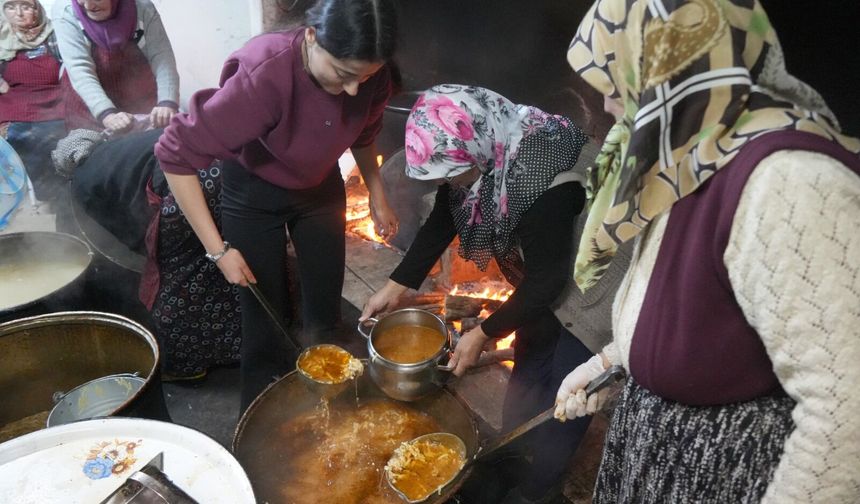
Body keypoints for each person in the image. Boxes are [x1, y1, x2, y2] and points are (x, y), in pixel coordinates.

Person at [555, 0, 860, 502]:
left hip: (727, 473)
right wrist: (614, 361)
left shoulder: (789, 183)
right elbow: (695, 308)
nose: (608, 107)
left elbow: (844, 414)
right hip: (661, 452)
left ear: (675, 73)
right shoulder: (693, 152)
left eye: (617, 85)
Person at [361, 84, 613, 504]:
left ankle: (538, 487)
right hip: (545, 274)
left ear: (473, 152)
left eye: (448, 173)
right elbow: (445, 215)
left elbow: (550, 283)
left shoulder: (544, 183)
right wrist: (396, 284)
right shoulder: (484, 152)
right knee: (530, 365)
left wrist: (484, 332)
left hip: (591, 290)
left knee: (567, 393)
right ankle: (511, 454)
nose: (447, 183)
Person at [155, 0, 399, 411]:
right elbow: (174, 154)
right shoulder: (263, 75)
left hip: (319, 187)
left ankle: (328, 409)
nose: (355, 89)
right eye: (343, 74)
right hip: (253, 193)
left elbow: (364, 132)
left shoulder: (371, 76)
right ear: (310, 37)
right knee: (265, 318)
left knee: (324, 311)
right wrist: (219, 251)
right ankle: (263, 422)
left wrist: (377, 192)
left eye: (366, 76)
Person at [53, 0, 179, 132]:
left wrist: (167, 102)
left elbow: (162, 57)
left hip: (138, 93)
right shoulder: (65, 12)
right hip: (90, 103)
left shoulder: (142, 7)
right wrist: (106, 113)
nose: (88, 6)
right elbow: (80, 69)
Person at [0, 0, 66, 201]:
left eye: (26, 6)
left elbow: (73, 65)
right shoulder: (2, 37)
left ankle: (59, 197)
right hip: (14, 105)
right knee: (18, 138)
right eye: (10, 7)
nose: (18, 13)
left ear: (37, 9)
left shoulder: (54, 33)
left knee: (55, 140)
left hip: (54, 102)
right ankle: (40, 196)